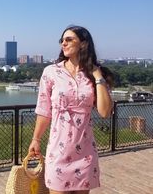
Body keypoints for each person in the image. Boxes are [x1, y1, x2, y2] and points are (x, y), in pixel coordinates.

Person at [28, 25, 113, 194]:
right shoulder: (51, 72)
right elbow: (44, 110)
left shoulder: (94, 74)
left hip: (85, 153)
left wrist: (97, 76)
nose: (63, 44)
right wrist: (36, 139)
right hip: (58, 153)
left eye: (69, 39)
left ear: (83, 44)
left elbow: (104, 112)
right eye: (62, 40)